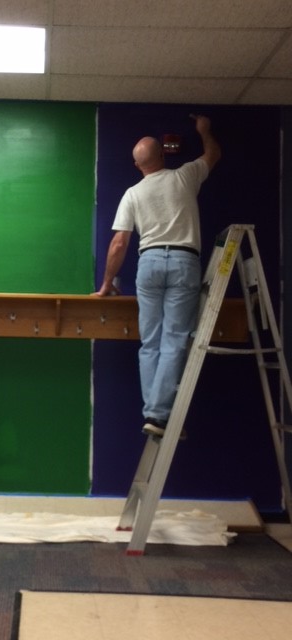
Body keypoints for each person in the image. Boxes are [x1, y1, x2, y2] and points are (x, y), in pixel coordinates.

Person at [95, 115, 221, 437]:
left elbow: (119, 243)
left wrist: (107, 283)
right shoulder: (185, 176)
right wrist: (204, 131)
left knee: (150, 342)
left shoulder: (132, 194)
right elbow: (213, 155)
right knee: (175, 339)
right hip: (183, 260)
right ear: (163, 156)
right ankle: (158, 414)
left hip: (148, 263)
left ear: (137, 166)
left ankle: (155, 413)